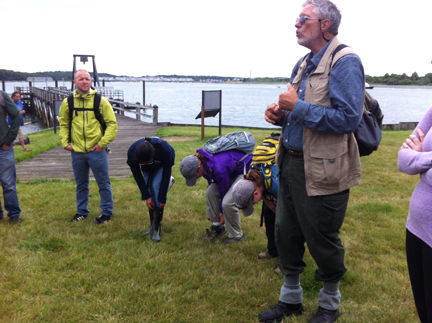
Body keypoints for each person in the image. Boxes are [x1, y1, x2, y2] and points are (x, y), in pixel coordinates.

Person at [259, 1, 365, 322]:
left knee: (322, 237)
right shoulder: (304, 62)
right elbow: (301, 115)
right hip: (289, 164)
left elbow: (348, 119)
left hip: (323, 169)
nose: (295, 24)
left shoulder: (346, 61)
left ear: (325, 25)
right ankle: (290, 300)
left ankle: (329, 305)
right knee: (286, 233)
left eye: (303, 19)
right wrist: (281, 116)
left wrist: (297, 107)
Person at [59, 69, 118, 224]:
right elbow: (64, 123)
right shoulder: (68, 102)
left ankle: (106, 212)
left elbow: (112, 125)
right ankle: (81, 212)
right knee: (81, 184)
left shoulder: (101, 101)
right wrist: (65, 143)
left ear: (91, 81)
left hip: (96, 151)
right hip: (77, 152)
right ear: (75, 82)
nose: (84, 82)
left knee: (103, 183)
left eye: (87, 79)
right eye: (81, 79)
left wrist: (102, 144)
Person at [398, 110, 432, 323]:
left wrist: (420, 158)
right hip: (417, 228)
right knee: (424, 311)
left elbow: (413, 161)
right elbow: (403, 159)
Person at [180, 149, 252, 244]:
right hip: (229, 171)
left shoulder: (218, 168)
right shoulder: (205, 165)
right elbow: (212, 180)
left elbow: (224, 188)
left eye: (194, 176)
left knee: (227, 202)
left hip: (243, 170)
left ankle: (236, 236)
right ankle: (218, 227)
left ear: (199, 167)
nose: (196, 178)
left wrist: (223, 213)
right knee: (210, 192)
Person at [127, 137, 175, 242]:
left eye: (147, 162)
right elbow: (138, 176)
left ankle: (156, 229)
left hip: (161, 164)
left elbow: (167, 173)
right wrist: (146, 196)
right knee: (149, 189)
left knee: (155, 187)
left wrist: (163, 198)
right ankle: (152, 227)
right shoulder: (132, 153)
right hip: (148, 167)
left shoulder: (165, 150)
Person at [232, 164, 279, 262]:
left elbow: (293, 212)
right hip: (269, 189)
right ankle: (273, 250)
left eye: (252, 203)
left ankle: (289, 261)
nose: (253, 205)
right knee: (269, 215)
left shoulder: (276, 186)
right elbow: (269, 203)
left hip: (292, 191)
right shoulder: (252, 180)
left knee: (287, 226)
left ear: (256, 193)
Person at [0, 90, 22, 223]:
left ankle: (14, 214)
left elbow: (17, 116)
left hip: (3, 148)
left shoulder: (1, 95)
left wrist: (8, 140)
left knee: (8, 183)